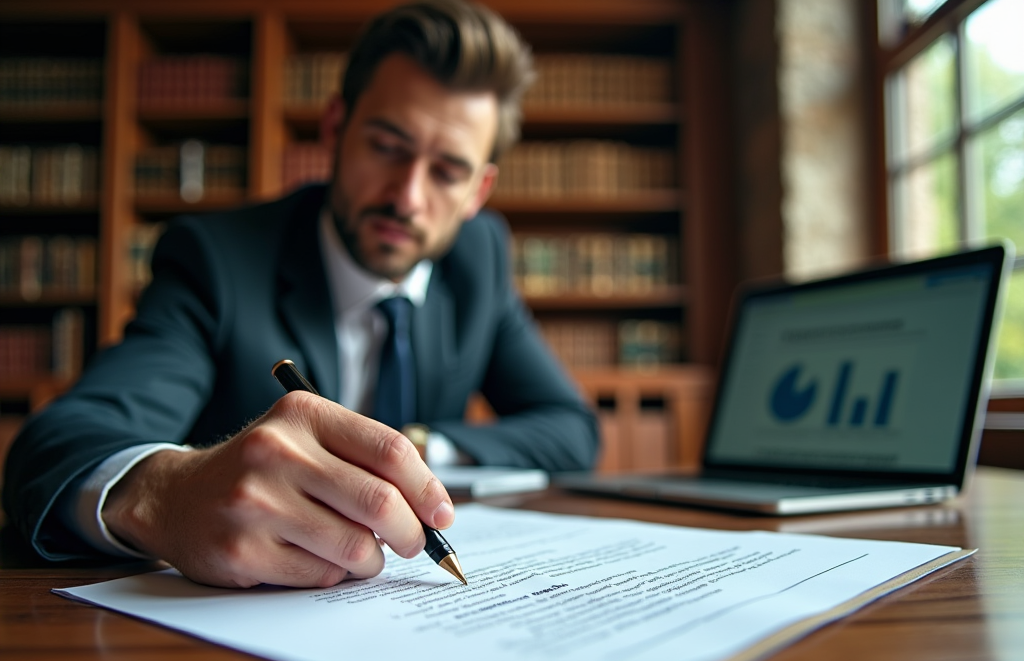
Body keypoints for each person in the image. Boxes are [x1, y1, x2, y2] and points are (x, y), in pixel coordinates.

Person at [2, 0, 599, 589]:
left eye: (446, 171)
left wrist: (416, 445)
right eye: (388, 147)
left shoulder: (479, 257)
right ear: (335, 129)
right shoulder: (219, 260)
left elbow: (572, 430)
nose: (408, 198)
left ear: (478, 191)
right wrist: (168, 495)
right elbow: (57, 448)